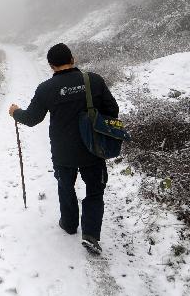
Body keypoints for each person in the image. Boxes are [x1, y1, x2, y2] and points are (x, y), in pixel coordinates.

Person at [8, 43, 121, 255]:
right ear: (73, 58)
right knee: (95, 191)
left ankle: (69, 224)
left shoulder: (46, 89)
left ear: (51, 65)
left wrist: (15, 112)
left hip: (63, 151)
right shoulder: (93, 81)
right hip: (93, 148)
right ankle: (91, 235)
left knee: (65, 186)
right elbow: (113, 110)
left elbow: (32, 119)